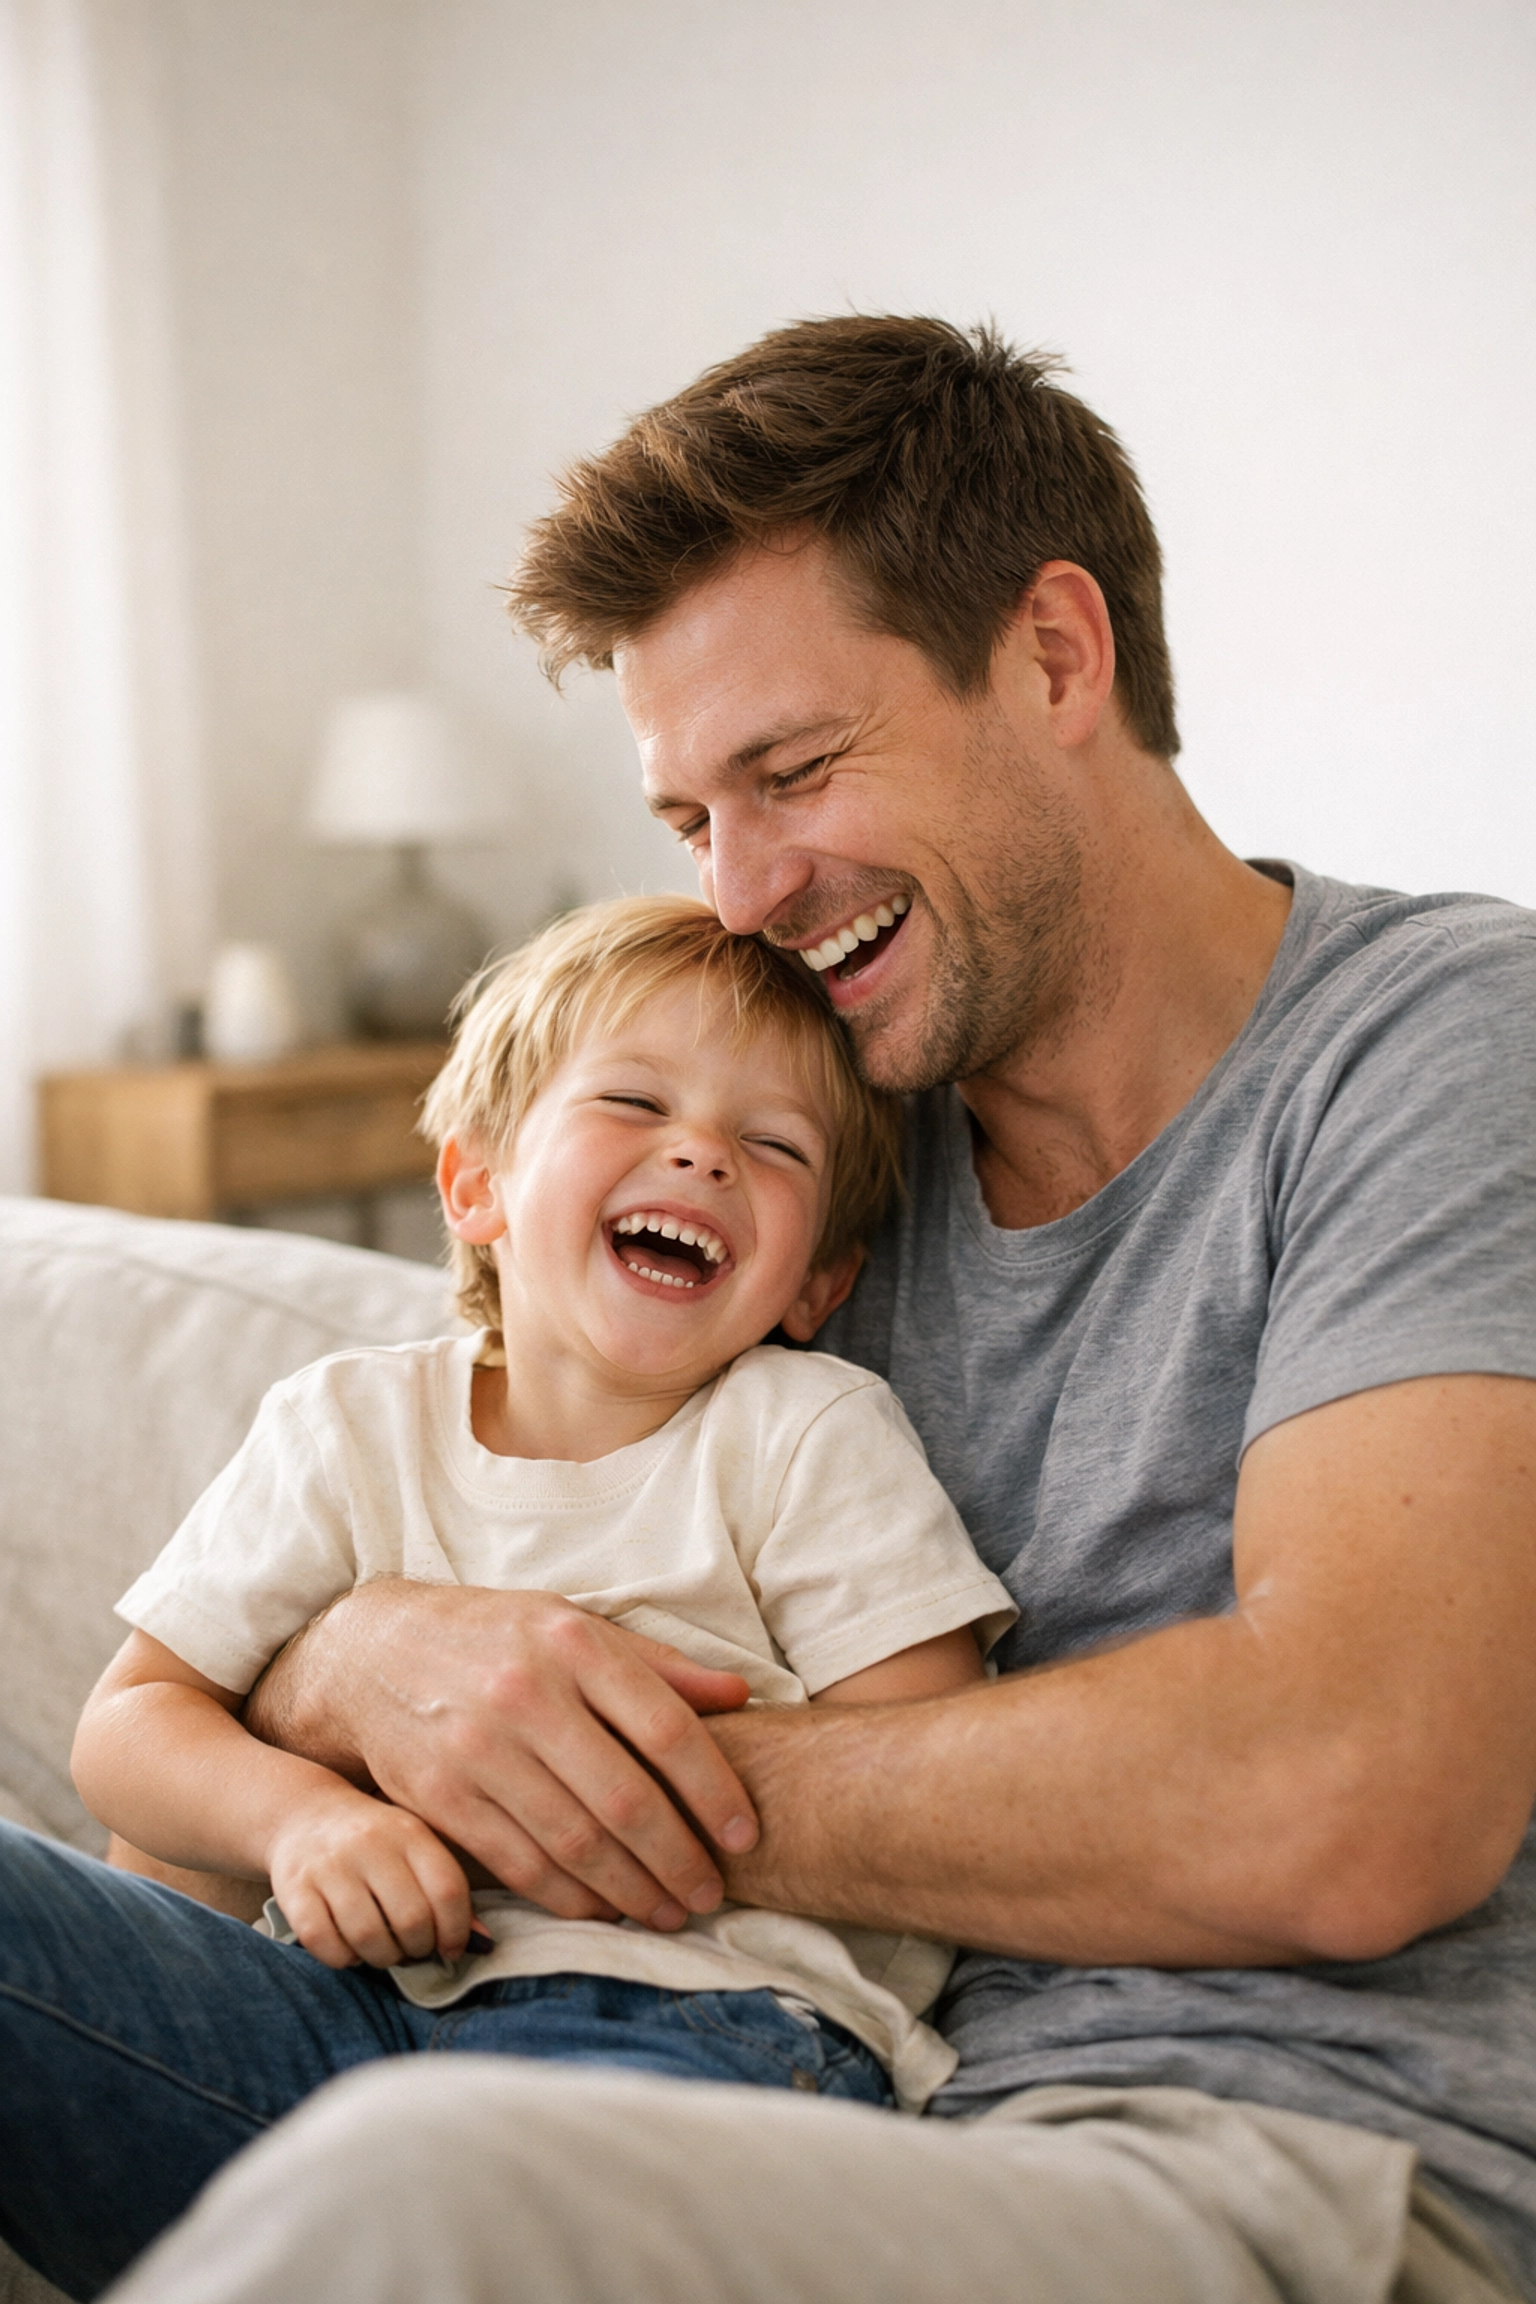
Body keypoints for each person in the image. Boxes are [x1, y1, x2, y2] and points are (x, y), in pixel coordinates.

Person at [49, 314, 1536, 2303]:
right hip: (842, 2150)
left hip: (1287, 2178)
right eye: (690, 820)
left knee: (428, 2194)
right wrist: (348, 1679)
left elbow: (1355, 1796)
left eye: (797, 770)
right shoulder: (817, 1158)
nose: (742, 893)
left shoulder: (1440, 1050)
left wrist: (541, 1786)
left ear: (1056, 655)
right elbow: (479, 1475)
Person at [0, 895, 1017, 2295]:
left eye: (772, 1146)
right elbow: (131, 1731)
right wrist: (304, 1821)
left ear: (817, 1280)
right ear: (475, 1181)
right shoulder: (347, 1424)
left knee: (427, 2191)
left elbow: (939, 1785)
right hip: (327, 2020)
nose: (700, 1153)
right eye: (635, 1099)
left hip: (693, 2039)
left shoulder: (803, 1430)